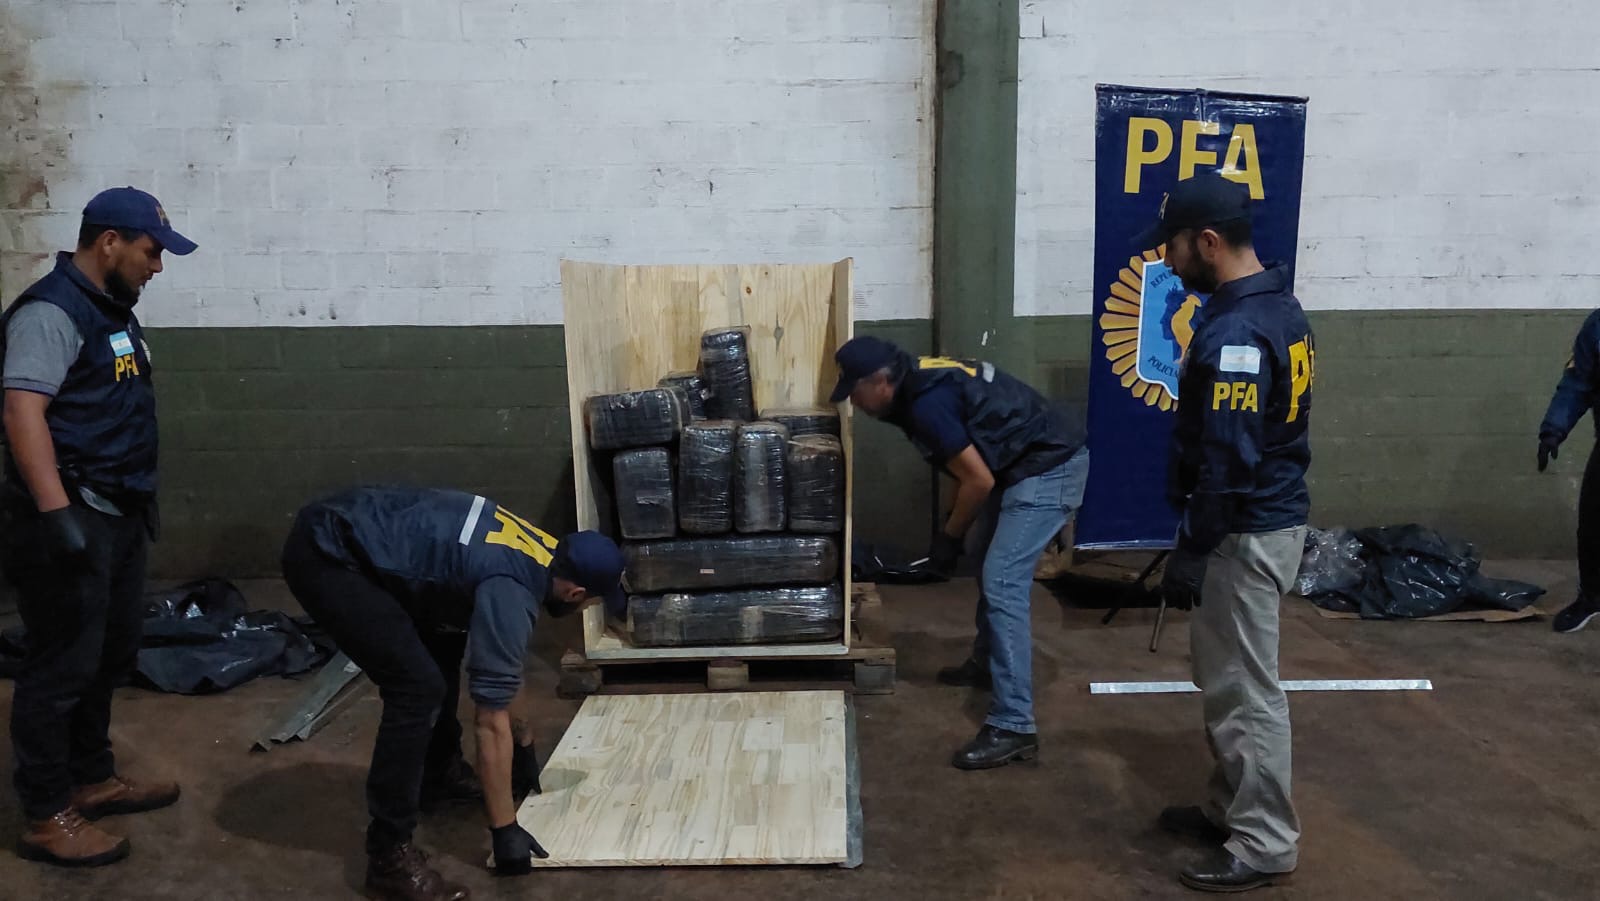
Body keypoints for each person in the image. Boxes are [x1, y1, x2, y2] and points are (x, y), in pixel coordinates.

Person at [280, 485, 626, 901]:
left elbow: (505, 665)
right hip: (328, 556)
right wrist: (505, 830)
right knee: (416, 688)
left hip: (369, 533)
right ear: (575, 594)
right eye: (592, 603)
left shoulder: (544, 551)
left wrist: (525, 744)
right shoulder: (510, 588)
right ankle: (388, 856)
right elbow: (489, 718)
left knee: (444, 643)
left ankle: (437, 773)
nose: (586, 609)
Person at [1, 187, 197, 867]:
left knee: (109, 654)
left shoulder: (111, 310)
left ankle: (90, 776)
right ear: (109, 242)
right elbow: (22, 412)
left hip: (117, 511)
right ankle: (46, 813)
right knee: (59, 666)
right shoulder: (51, 312)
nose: (158, 267)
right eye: (151, 252)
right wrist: (57, 514)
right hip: (69, 514)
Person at [1142, 172, 1314, 893]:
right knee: (1224, 678)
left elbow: (1231, 459)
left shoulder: (1240, 331)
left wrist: (1193, 545)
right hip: (1252, 523)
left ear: (1207, 241)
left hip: (1243, 530)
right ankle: (1228, 804)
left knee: (1246, 689)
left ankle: (1266, 841)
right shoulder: (1276, 305)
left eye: (1174, 245)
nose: (1167, 259)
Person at [831, 336, 1088, 770]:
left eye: (855, 391)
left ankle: (1014, 725)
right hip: (1020, 463)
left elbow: (978, 481)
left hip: (1049, 467)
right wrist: (950, 531)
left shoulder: (926, 405)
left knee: (1002, 581)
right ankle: (987, 663)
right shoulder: (917, 379)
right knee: (991, 566)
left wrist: (949, 540)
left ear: (880, 381)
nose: (853, 402)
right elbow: (965, 467)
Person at [1536, 311, 1600, 632]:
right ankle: (1592, 597)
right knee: (1593, 526)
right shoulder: (1597, 327)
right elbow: (1578, 383)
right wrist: (1554, 429)